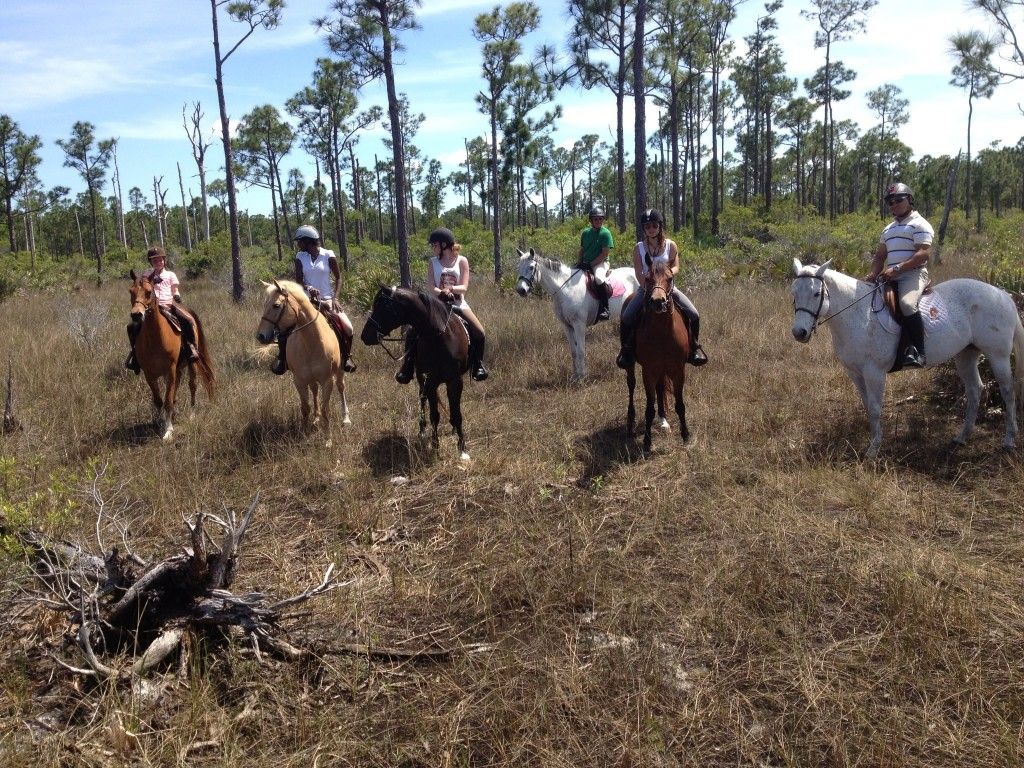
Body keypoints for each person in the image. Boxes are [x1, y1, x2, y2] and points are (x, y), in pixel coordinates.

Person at [616, 208, 708, 369]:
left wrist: (665, 276)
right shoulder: (639, 248)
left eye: (654, 225)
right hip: (646, 289)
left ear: (659, 226)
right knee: (627, 316)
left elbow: (677, 266)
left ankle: (694, 348)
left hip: (668, 288)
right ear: (644, 229)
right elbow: (638, 272)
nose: (651, 229)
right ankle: (626, 351)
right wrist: (649, 288)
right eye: (647, 226)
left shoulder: (670, 245)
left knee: (694, 313)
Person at [395, 227, 489, 384]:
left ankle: (477, 365)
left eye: (434, 245)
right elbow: (431, 286)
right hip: (437, 305)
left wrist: (451, 289)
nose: (433, 248)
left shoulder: (462, 261)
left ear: (444, 244)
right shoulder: (433, 262)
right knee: (412, 331)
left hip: (458, 303)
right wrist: (442, 293)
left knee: (479, 331)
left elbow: (464, 287)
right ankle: (407, 367)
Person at [272, 224, 357, 375]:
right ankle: (282, 359)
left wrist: (335, 298)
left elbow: (338, 278)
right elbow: (299, 281)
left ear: (307, 241)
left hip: (327, 299)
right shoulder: (300, 257)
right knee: (285, 326)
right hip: (305, 301)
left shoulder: (328, 255)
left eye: (300, 241)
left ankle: (346, 357)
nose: (298, 244)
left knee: (348, 327)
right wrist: (309, 288)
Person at [866, 182, 933, 369]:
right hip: (891, 276)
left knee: (907, 304)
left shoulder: (919, 223)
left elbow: (923, 254)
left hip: (912, 274)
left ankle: (920, 352)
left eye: (898, 200)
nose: (894, 204)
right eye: (890, 202)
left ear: (910, 200)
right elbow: (880, 256)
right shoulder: (887, 229)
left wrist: (897, 269)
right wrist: (873, 273)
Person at [125, 246, 200, 373]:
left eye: (160, 260)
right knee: (132, 327)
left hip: (169, 304)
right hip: (150, 308)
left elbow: (175, 288)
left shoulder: (170, 274)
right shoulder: (146, 275)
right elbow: (141, 289)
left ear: (164, 260)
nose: (158, 262)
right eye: (154, 261)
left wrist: (176, 294)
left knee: (188, 320)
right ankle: (135, 354)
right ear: (151, 262)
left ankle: (191, 347)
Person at [577, 206, 614, 321]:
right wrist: (579, 263)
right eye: (595, 219)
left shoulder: (605, 233)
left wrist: (591, 264)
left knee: (598, 278)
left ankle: (605, 309)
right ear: (591, 220)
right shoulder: (585, 233)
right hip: (587, 262)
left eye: (600, 219)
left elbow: (604, 254)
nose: (598, 221)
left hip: (601, 262)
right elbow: (582, 250)